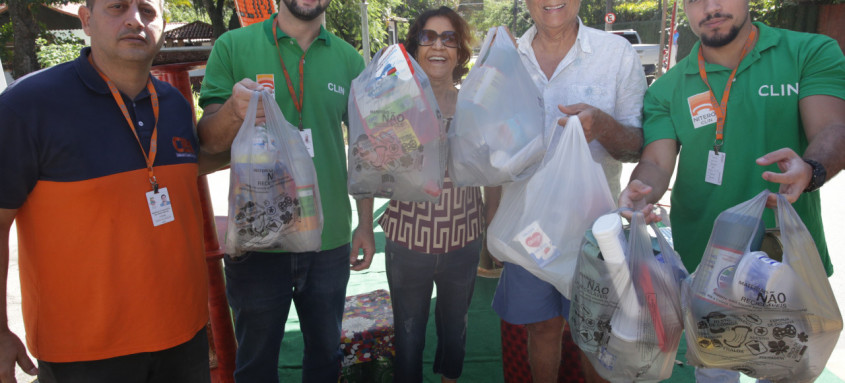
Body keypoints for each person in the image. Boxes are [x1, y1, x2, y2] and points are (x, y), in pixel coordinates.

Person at [618, 0, 845, 381]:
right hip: (706, 263)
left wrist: (812, 169)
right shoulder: (667, 89)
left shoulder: (809, 51)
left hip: (786, 256)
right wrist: (642, 190)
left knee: (785, 371)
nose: (710, 6)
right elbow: (656, 162)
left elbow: (832, 128)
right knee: (714, 374)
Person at [0, 0, 222, 382]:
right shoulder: (28, 105)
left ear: (163, 25)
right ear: (87, 20)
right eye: (117, 7)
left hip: (182, 339)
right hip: (85, 352)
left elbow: (189, 170)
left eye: (148, 12)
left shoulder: (173, 104)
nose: (134, 20)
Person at [196, 0, 376, 381]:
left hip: (327, 239)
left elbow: (364, 152)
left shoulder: (348, 59)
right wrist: (233, 110)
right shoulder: (232, 46)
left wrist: (364, 224)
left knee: (326, 356)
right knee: (256, 364)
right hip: (259, 239)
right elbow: (208, 143)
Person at [486, 0, 647, 382]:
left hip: (595, 230)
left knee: (594, 335)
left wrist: (602, 127)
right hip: (528, 230)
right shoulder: (506, 57)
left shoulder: (615, 54)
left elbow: (637, 144)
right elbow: (484, 136)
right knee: (541, 327)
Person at [376, 7, 487, 383]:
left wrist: (492, 225)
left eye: (449, 38)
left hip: (464, 238)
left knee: (455, 330)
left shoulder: (476, 105)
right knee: (407, 334)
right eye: (428, 36)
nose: (438, 46)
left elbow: (496, 172)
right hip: (409, 239)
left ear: (460, 51)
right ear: (414, 46)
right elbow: (368, 169)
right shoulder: (395, 102)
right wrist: (363, 223)